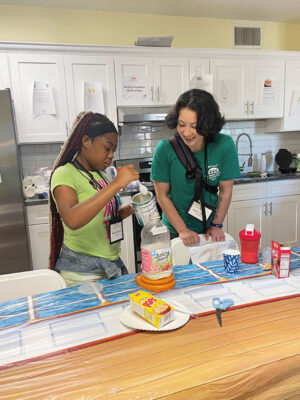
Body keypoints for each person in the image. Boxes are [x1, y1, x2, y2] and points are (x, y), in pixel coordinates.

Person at [49, 111, 139, 286]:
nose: (111, 155)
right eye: (107, 148)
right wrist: (117, 184)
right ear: (86, 141)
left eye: (114, 149)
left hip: (109, 265)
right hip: (83, 272)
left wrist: (131, 209)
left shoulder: (99, 174)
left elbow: (103, 217)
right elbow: (72, 219)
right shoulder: (65, 174)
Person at [151, 89, 240, 247]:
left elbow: (226, 190)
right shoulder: (164, 149)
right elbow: (162, 196)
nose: (187, 132)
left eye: (195, 126)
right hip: (174, 232)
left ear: (209, 123)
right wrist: (182, 230)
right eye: (181, 124)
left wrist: (217, 225)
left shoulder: (224, 145)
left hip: (209, 231)